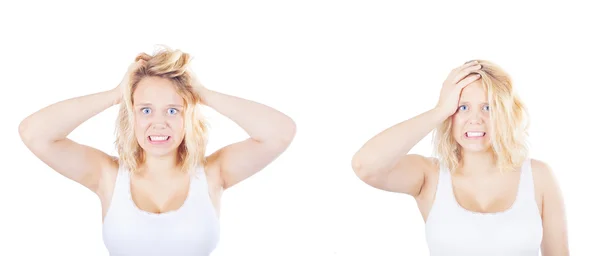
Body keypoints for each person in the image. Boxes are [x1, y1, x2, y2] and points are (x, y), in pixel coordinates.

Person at [18, 46, 297, 256]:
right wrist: (117, 93)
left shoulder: (213, 172)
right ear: (132, 115)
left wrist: (202, 93)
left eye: (173, 110)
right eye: (146, 110)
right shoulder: (107, 175)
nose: (158, 123)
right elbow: (35, 134)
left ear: (187, 116)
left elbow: (279, 132)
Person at [351, 60, 569, 255]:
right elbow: (365, 165)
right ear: (450, 115)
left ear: (505, 114)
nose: (476, 119)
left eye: (488, 108)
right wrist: (438, 111)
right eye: (462, 107)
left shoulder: (538, 177)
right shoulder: (429, 176)